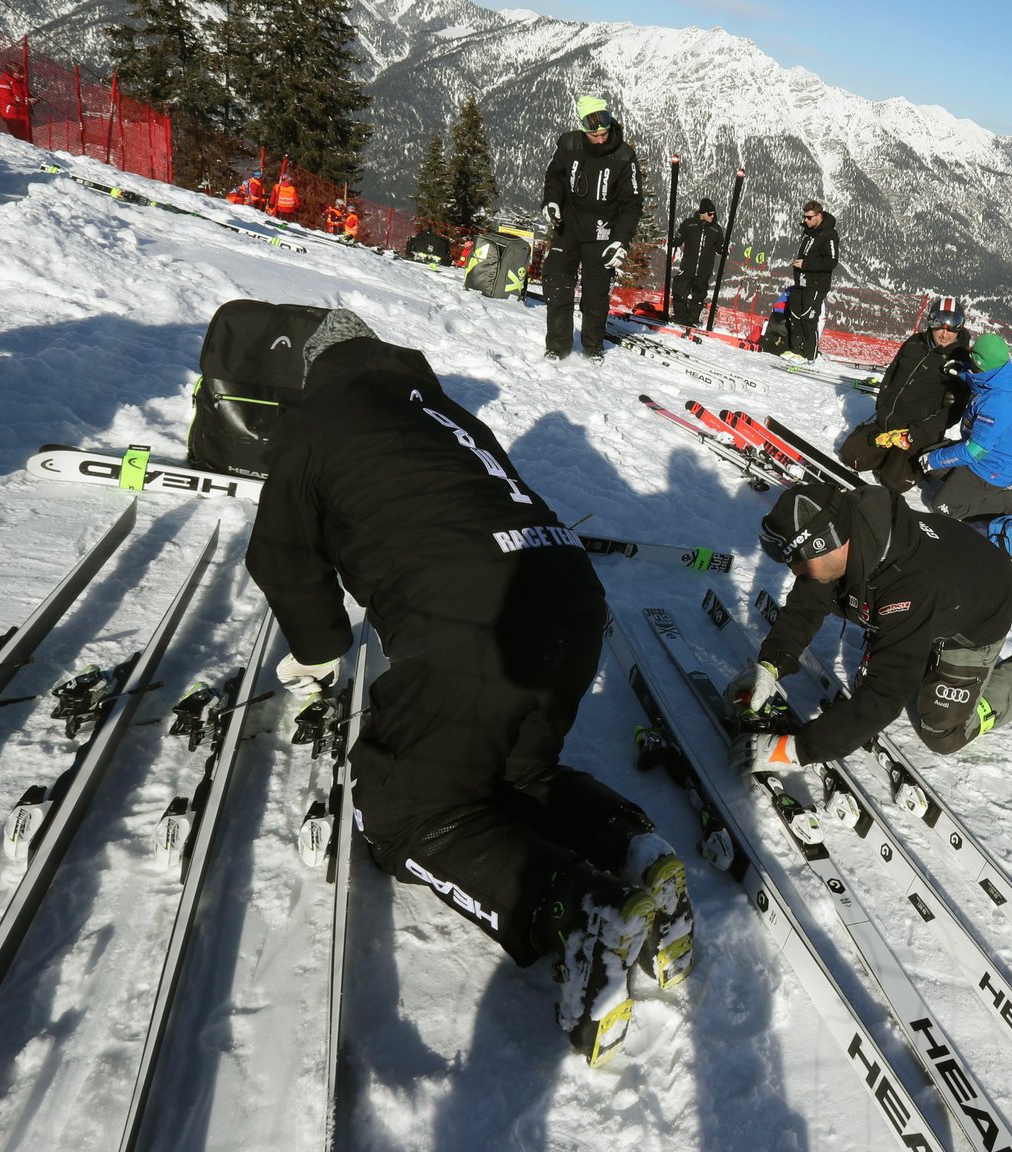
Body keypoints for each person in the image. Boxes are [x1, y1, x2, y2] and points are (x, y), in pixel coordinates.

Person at [245, 310, 690, 1065]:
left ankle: (579, 911)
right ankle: (636, 850)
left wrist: (317, 657)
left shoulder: (315, 418)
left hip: (470, 618)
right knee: (518, 772)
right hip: (570, 595)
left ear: (316, 369)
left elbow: (284, 555)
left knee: (408, 811)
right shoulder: (442, 410)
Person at [726, 483, 1012, 769]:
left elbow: (884, 697)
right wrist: (770, 665)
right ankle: (919, 648)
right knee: (863, 609)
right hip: (944, 580)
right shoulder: (848, 531)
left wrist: (798, 749)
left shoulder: (909, 587)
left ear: (826, 543)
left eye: (797, 559)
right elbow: (807, 604)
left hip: (981, 610)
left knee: (942, 733)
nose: (794, 569)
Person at [539, 96, 642, 361]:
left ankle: (592, 347)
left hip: (603, 232)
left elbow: (632, 204)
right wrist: (551, 201)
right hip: (568, 225)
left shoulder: (624, 156)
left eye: (604, 132)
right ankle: (558, 346)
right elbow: (555, 176)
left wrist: (621, 241)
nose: (600, 138)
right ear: (583, 128)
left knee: (596, 295)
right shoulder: (569, 144)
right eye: (594, 133)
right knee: (558, 282)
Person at [838, 297, 970, 493]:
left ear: (959, 328)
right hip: (888, 421)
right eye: (939, 325)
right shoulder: (915, 343)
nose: (944, 333)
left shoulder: (959, 362)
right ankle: (886, 454)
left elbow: (952, 412)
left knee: (893, 482)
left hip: (915, 434)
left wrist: (915, 434)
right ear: (930, 322)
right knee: (850, 456)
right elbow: (892, 372)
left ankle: (918, 457)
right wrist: (882, 407)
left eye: (952, 327)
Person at [920, 332, 1012, 519]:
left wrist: (935, 460)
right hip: (982, 455)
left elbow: (974, 451)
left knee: (943, 507)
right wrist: (961, 372)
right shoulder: (1000, 376)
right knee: (928, 460)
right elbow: (981, 382)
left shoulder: (999, 404)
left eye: (972, 358)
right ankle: (961, 485)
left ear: (980, 362)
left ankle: (1011, 500)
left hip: (991, 468)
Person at [784, 200, 840, 360]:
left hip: (816, 284)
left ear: (819, 215)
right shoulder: (809, 232)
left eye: (809, 217)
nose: (805, 221)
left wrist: (806, 264)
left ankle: (809, 355)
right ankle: (795, 350)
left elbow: (831, 262)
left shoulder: (829, 234)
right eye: (804, 217)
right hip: (801, 281)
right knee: (795, 314)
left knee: (809, 318)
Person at [670, 197, 723, 324]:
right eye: (710, 214)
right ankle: (680, 319)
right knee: (679, 292)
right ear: (702, 213)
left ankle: (692, 321)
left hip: (704, 271)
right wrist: (670, 241)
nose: (712, 216)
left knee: (698, 297)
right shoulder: (689, 224)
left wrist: (726, 249)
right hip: (687, 267)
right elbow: (677, 240)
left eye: (714, 214)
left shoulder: (716, 229)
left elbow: (720, 247)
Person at [0, 66, 31, 142]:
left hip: (23, 114)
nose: (22, 75)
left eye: (22, 73)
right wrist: (24, 101)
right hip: (12, 114)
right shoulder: (2, 81)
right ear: (12, 73)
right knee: (21, 140)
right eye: (19, 73)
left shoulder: (20, 82)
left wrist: (31, 99)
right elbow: (7, 98)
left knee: (28, 140)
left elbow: (25, 94)